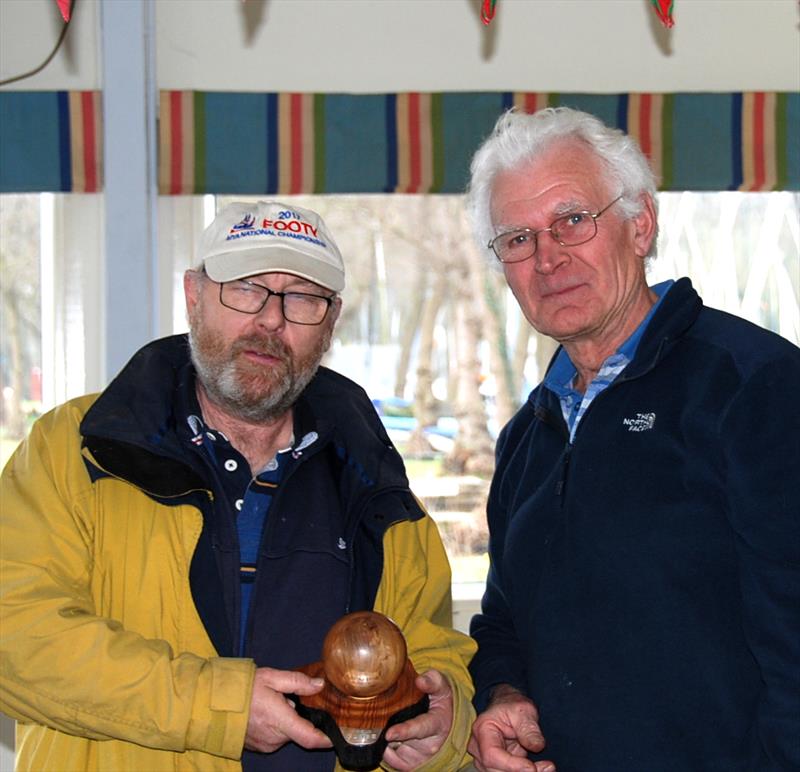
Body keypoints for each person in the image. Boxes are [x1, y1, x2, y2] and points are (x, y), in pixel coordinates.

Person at [0, 201, 476, 772]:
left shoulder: (378, 490)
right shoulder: (77, 450)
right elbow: (17, 636)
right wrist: (219, 706)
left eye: (302, 297)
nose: (272, 320)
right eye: (246, 287)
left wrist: (446, 720)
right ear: (194, 296)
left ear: (330, 323)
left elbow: (430, 651)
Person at [464, 107, 800, 772]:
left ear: (640, 224)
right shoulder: (526, 438)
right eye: (518, 239)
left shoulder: (756, 387)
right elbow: (502, 617)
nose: (548, 256)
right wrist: (503, 693)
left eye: (572, 220)